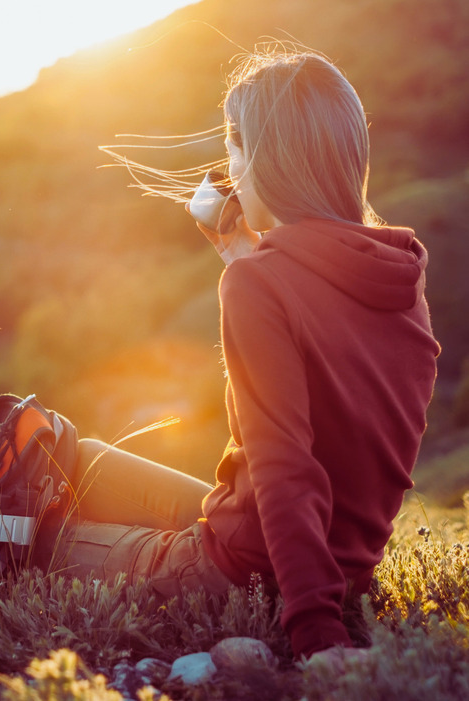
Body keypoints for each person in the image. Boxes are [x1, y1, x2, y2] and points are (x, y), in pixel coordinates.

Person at [37, 47, 440, 664]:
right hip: (331, 559)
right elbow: (341, 432)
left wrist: (317, 633)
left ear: (266, 164)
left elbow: (286, 467)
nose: (228, 170)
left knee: (31, 531)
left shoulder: (260, 286)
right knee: (80, 460)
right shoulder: (400, 279)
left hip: (246, 566)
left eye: (235, 150)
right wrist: (240, 257)